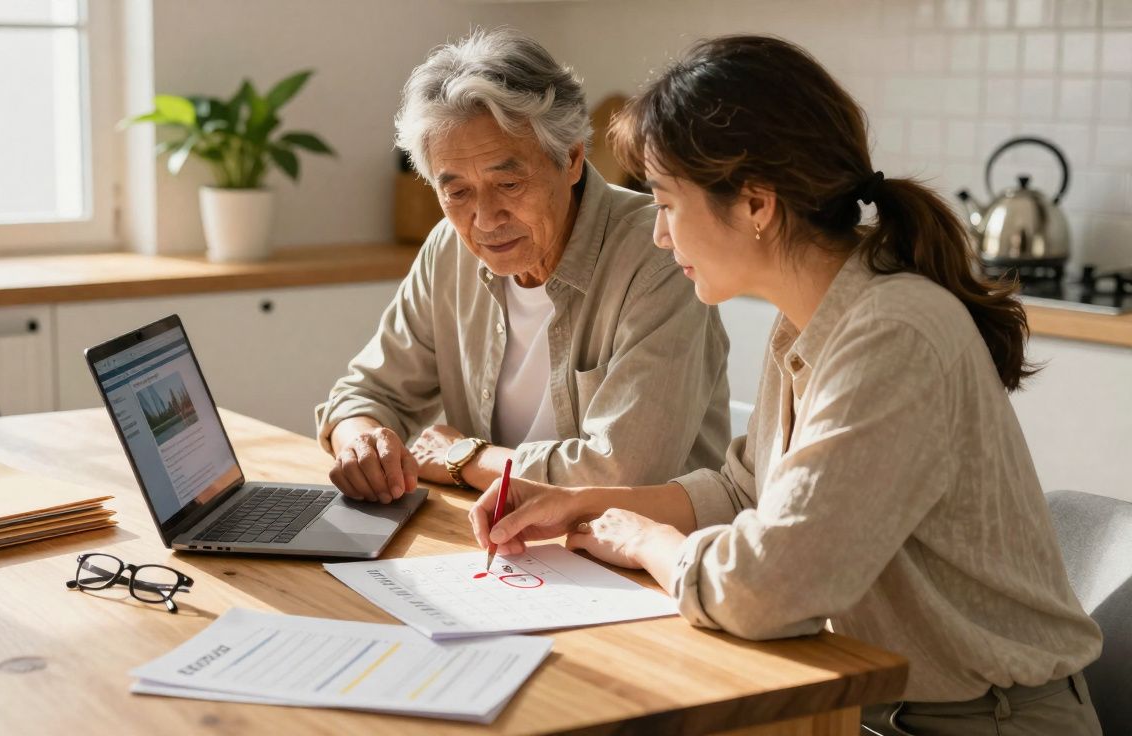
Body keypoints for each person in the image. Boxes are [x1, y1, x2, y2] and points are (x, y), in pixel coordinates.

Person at [471, 35, 1103, 735]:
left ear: (756, 204)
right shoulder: (810, 320)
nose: (658, 235)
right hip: (877, 707)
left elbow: (769, 588)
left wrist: (648, 541)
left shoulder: (893, 335)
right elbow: (744, 493)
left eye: (669, 203)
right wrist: (587, 502)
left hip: (985, 723)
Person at [315, 28, 730, 503]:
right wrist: (361, 443)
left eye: (509, 185)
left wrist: (467, 458)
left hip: (636, 558)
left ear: (571, 159)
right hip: (498, 544)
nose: (485, 219)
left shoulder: (658, 255)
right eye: (457, 193)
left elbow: (624, 471)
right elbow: (365, 393)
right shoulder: (448, 249)